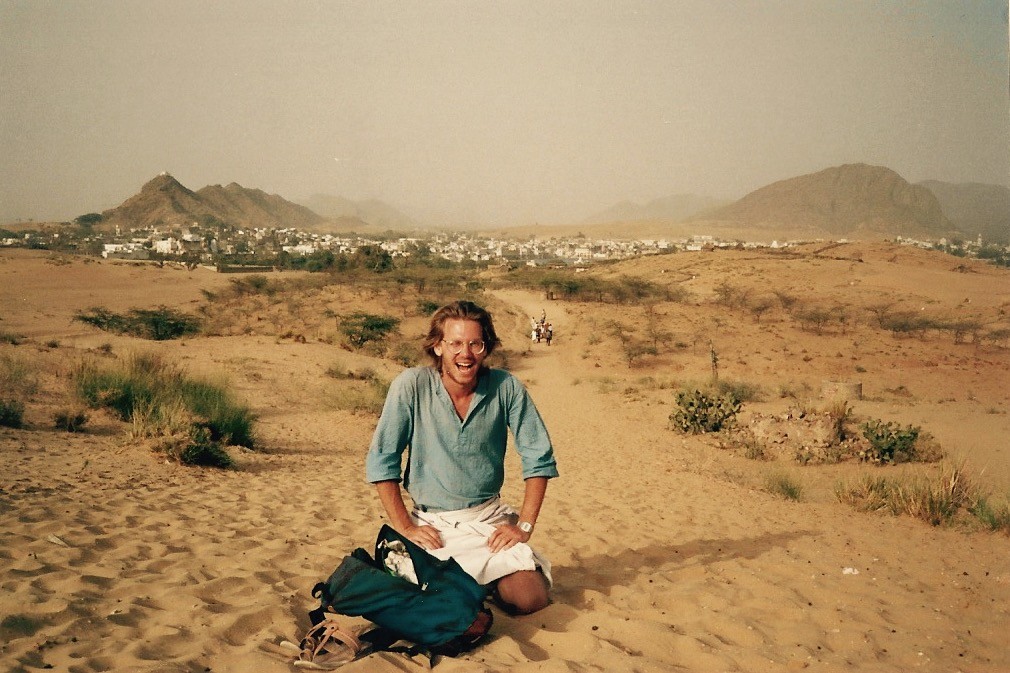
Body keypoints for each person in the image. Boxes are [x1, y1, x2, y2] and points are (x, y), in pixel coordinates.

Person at [366, 300, 559, 615]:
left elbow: (539, 458)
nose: (465, 354)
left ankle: (485, 582)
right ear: (438, 346)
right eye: (455, 343)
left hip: (487, 521)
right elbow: (382, 461)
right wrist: (406, 527)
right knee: (418, 601)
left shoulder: (505, 387)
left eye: (475, 343)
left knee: (530, 599)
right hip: (430, 525)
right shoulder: (411, 386)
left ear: (486, 348)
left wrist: (523, 526)